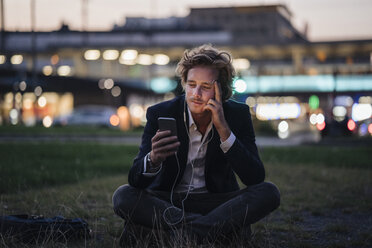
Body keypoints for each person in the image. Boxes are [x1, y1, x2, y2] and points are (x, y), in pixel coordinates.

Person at [112, 44, 280, 246]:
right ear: (184, 84)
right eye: (191, 84)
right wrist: (153, 159)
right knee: (123, 195)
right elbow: (135, 181)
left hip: (217, 203)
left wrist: (224, 131)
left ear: (221, 90)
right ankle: (203, 230)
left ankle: (185, 233)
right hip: (169, 202)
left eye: (206, 87)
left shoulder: (237, 115)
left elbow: (254, 177)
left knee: (269, 192)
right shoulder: (160, 113)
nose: (196, 93)